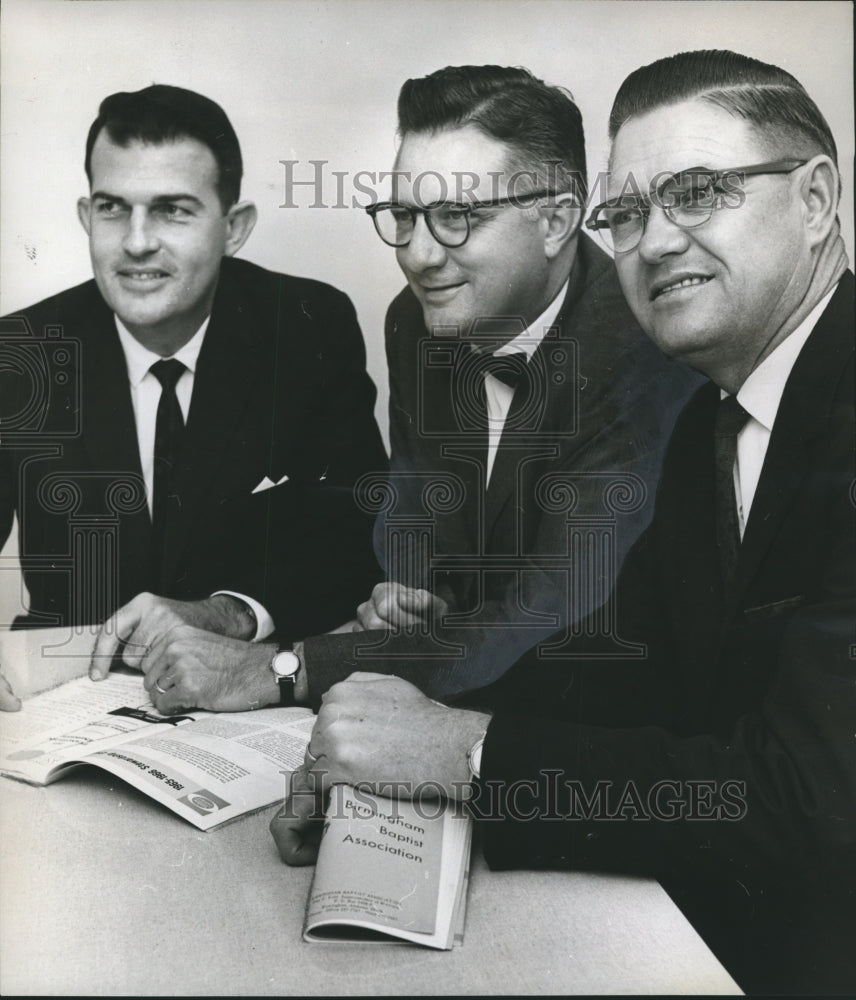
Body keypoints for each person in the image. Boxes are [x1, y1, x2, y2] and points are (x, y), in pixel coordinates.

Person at [271, 50, 856, 994]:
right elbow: (639, 669)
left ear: (818, 198)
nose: (656, 242)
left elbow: (821, 803)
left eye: (697, 193)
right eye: (626, 215)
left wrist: (466, 754)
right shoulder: (718, 410)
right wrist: (395, 752)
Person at [97, 65, 698, 715]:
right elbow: (415, 522)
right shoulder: (417, 320)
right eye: (404, 215)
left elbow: (548, 620)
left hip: (589, 723)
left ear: (556, 220)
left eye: (456, 217)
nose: (418, 255)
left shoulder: (646, 353)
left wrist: (279, 670)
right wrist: (411, 593)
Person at [0, 85, 386, 710]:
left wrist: (226, 613)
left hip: (246, 699)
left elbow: (364, 529)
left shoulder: (310, 324)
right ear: (84, 216)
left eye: (173, 210)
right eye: (112, 208)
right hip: (59, 699)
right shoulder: (20, 352)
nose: (137, 241)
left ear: (233, 228)